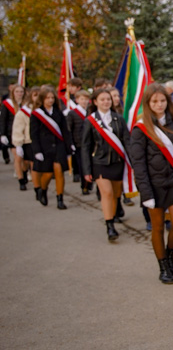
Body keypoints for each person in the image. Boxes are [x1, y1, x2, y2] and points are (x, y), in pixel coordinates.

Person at [129, 84, 173, 284]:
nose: (159, 104)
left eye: (163, 100)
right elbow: (138, 163)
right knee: (157, 227)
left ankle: (169, 253)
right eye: (155, 101)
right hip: (153, 186)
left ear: (168, 102)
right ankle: (163, 266)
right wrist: (145, 192)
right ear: (148, 104)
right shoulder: (141, 129)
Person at [81, 87, 132, 241]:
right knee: (107, 193)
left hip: (117, 162)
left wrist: (133, 163)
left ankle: (114, 213)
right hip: (99, 162)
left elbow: (127, 142)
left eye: (108, 99)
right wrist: (86, 170)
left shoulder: (119, 119)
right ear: (95, 102)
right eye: (102, 99)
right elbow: (85, 146)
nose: (106, 102)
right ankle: (110, 226)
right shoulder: (90, 121)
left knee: (116, 194)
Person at [30, 86, 74, 209]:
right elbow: (34, 134)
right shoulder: (36, 114)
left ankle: (60, 199)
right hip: (44, 148)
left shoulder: (58, 113)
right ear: (42, 99)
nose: (50, 100)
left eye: (52, 98)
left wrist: (69, 146)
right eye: (47, 98)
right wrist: (37, 150)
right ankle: (43, 190)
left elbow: (65, 131)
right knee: (48, 174)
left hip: (59, 146)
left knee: (59, 171)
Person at [67, 88, 93, 195]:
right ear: (77, 100)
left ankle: (90, 183)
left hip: (90, 142)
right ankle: (85, 186)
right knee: (83, 165)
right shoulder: (72, 114)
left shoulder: (90, 112)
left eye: (86, 99)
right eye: (82, 99)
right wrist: (71, 143)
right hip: (78, 143)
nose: (84, 101)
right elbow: (69, 129)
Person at [13, 88, 39, 197]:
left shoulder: (42, 110)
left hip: (38, 140)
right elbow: (18, 128)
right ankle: (21, 178)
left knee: (34, 164)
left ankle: (37, 188)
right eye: (35, 95)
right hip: (26, 140)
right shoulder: (24, 112)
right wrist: (18, 143)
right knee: (23, 161)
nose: (37, 98)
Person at [2, 84, 27, 189]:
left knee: (25, 159)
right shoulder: (7, 104)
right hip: (12, 134)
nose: (19, 94)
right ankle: (21, 180)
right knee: (17, 157)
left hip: (26, 134)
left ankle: (24, 173)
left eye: (21, 91)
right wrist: (2, 134)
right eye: (17, 92)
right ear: (13, 93)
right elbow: (3, 120)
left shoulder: (27, 104)